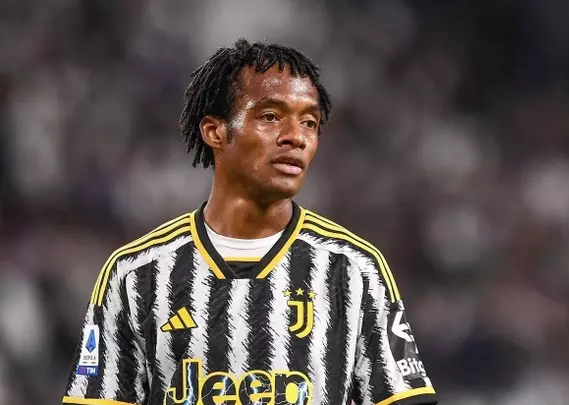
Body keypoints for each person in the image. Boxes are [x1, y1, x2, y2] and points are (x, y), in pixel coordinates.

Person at [62, 39, 437, 405]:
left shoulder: (353, 270)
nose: (296, 137)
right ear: (215, 131)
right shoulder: (136, 274)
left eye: (309, 122)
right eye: (270, 116)